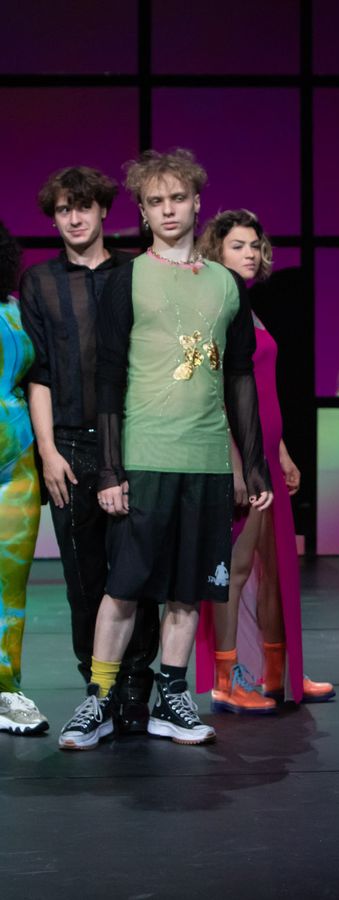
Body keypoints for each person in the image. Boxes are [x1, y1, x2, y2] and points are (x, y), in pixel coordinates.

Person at [57, 149, 271, 750]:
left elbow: (240, 377)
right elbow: (107, 377)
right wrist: (109, 470)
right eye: (156, 202)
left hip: (205, 461)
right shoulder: (127, 278)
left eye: (178, 198)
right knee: (123, 587)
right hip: (145, 456)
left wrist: (253, 462)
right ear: (143, 212)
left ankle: (172, 699)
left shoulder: (227, 284)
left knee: (187, 589)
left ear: (197, 202)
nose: (168, 210)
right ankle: (98, 699)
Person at [20, 167, 159, 733]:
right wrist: (48, 451)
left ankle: (137, 690)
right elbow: (39, 373)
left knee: (138, 575)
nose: (74, 218)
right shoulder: (40, 281)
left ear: (103, 210)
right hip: (71, 444)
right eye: (63, 210)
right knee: (84, 580)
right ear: (53, 219)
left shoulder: (136, 271)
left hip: (137, 439)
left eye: (83, 207)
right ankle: (97, 692)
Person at [194, 209, 334, 710]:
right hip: (240, 454)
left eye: (254, 245)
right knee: (236, 566)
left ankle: (279, 674)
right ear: (215, 251)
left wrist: (282, 451)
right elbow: (216, 395)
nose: (250, 253)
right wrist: (237, 461)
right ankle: (226, 679)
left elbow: (262, 391)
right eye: (237, 245)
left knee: (274, 567)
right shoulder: (217, 308)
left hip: (266, 452)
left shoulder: (244, 305)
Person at [0, 221, 47, 735]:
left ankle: (5, 689)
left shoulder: (16, 312)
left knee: (9, 591)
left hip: (16, 471)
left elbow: (39, 383)